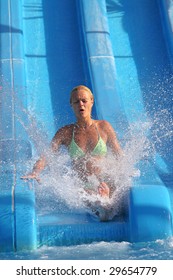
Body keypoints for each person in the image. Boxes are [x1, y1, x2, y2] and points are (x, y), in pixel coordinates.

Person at [21, 85, 122, 219]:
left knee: (105, 192)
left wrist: (125, 173)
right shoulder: (66, 132)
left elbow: (118, 154)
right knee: (95, 202)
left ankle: (105, 199)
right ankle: (101, 204)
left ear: (92, 101)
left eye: (84, 101)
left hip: (103, 180)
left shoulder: (104, 127)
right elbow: (47, 156)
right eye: (76, 101)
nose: (81, 104)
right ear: (71, 105)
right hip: (83, 186)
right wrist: (35, 171)